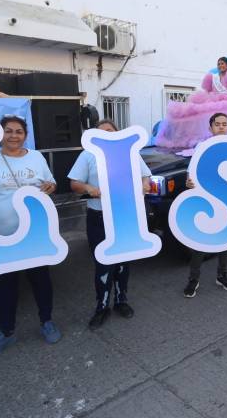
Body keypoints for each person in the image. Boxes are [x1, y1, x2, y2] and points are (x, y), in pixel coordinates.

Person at [0, 115, 61, 358]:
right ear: (0, 134)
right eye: (9, 131)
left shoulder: (36, 157)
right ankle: (6, 332)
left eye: (19, 131)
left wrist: (51, 186)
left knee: (41, 281)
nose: (14, 136)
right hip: (2, 235)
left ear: (25, 135)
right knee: (5, 286)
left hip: (36, 234)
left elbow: (51, 182)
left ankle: (46, 322)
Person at [68, 119, 152, 329]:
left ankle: (121, 301)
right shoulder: (88, 155)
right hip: (99, 217)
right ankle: (102, 306)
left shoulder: (130, 152)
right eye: (102, 131)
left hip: (125, 216)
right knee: (103, 263)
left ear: (117, 133)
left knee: (123, 262)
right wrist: (89, 188)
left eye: (110, 130)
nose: (107, 134)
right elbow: (74, 184)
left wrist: (144, 186)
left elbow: (145, 176)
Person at [182, 112, 227, 297]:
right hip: (205, 203)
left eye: (224, 124)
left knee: (224, 241)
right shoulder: (202, 147)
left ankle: (222, 276)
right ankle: (193, 280)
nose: (221, 127)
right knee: (199, 242)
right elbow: (191, 174)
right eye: (217, 124)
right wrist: (189, 182)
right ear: (210, 128)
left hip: (226, 203)